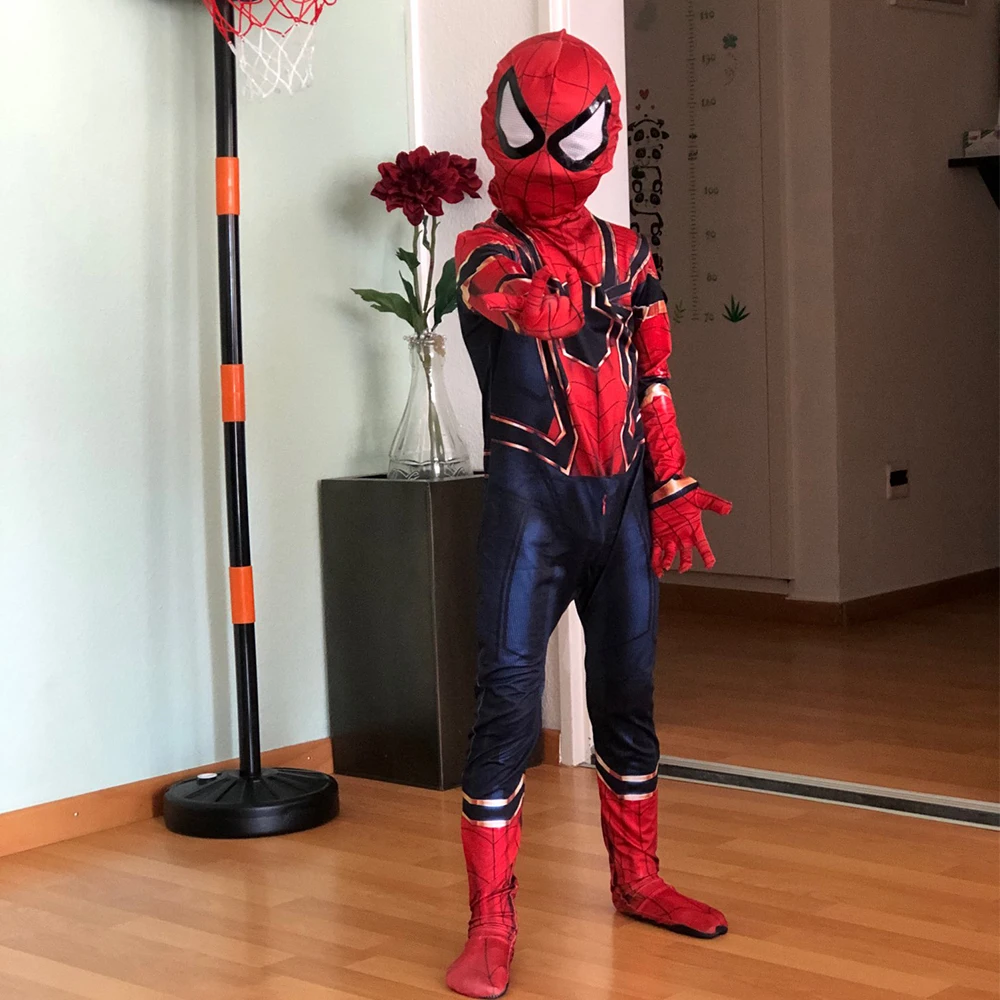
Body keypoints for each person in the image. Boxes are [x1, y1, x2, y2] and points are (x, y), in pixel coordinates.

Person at [447, 31, 732, 1000]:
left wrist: (672, 483)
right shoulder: (484, 247)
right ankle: (490, 922)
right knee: (505, 707)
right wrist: (536, 303)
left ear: (600, 135)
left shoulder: (629, 251)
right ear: (498, 118)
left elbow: (655, 377)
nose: (545, 155)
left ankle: (638, 879)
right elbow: (499, 294)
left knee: (627, 699)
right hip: (529, 510)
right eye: (530, 128)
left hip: (619, 511)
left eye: (567, 134)